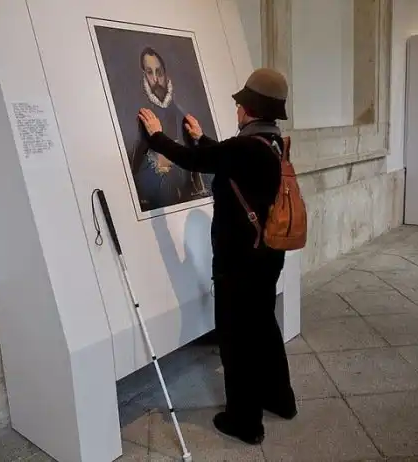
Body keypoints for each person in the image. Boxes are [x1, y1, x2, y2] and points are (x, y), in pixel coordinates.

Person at [137, 68, 297, 445]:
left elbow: (196, 161)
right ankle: (280, 399)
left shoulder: (244, 148)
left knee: (237, 341)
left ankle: (245, 421)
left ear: (250, 108)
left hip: (240, 263)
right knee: (264, 328)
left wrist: (157, 136)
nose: (237, 108)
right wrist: (201, 138)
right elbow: (222, 158)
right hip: (267, 255)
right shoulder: (272, 143)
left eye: (241, 104)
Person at [131, 47, 210, 211]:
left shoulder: (182, 114)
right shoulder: (141, 114)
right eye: (149, 72)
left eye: (159, 72)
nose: (155, 79)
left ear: (166, 74)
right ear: (144, 75)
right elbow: (137, 170)